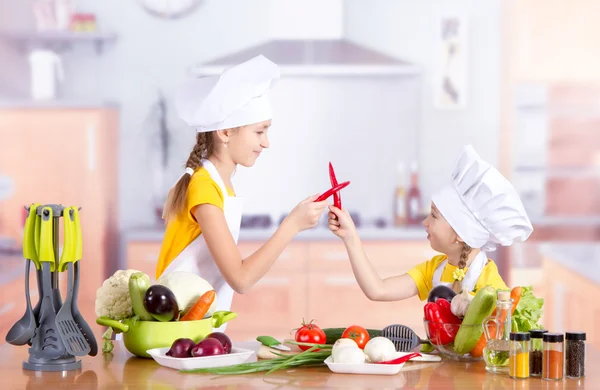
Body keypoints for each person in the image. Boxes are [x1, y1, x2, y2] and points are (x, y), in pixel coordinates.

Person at [156, 54, 328, 317]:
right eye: (259, 131)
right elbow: (241, 279)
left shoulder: (219, 183)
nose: (266, 142)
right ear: (225, 133)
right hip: (174, 333)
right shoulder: (204, 188)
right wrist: (292, 224)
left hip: (192, 329)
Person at [327, 144, 533, 301]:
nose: (425, 222)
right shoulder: (434, 270)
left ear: (461, 233)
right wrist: (350, 237)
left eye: (433, 215)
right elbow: (377, 290)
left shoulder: (488, 280)